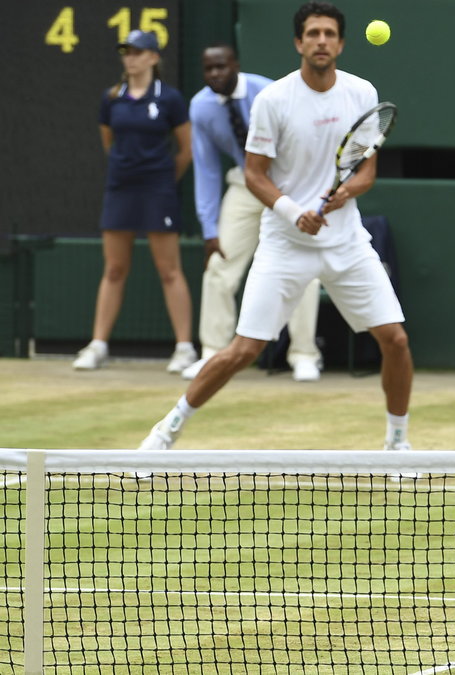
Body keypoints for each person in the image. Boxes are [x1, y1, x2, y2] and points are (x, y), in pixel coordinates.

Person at [138, 2, 415, 468]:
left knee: (396, 340)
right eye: (312, 33)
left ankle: (397, 443)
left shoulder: (361, 91)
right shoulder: (274, 100)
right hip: (286, 243)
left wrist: (346, 192)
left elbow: (367, 169)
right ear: (298, 43)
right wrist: (292, 211)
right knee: (244, 349)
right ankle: (166, 430)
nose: (321, 41)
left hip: (346, 243)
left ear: (341, 43)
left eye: (329, 33)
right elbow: (254, 174)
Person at [187, 43, 323, 382]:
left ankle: (304, 354)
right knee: (219, 265)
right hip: (245, 185)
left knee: (304, 267)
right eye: (209, 69)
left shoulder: (270, 92)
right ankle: (212, 354)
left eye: (221, 67)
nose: (215, 75)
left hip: (290, 185)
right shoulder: (201, 108)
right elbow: (206, 169)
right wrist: (208, 227)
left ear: (236, 64)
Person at [74, 29, 197, 373]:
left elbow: (186, 150)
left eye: (138, 51)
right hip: (120, 188)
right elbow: (109, 143)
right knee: (113, 269)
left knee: (169, 270)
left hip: (158, 190)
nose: (131, 57)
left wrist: (161, 180)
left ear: (153, 58)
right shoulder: (111, 98)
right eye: (126, 51)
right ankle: (98, 345)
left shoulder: (170, 99)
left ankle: (184, 348)